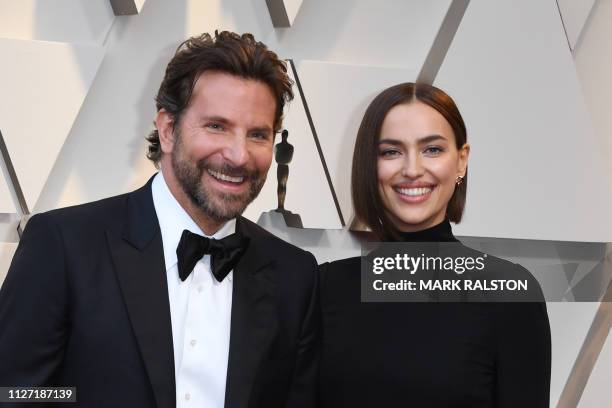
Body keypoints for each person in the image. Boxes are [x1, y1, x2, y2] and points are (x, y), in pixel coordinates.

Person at [0, 31, 318, 408]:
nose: (238, 155)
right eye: (217, 126)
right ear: (168, 130)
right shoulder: (64, 244)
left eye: (258, 134)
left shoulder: (295, 275)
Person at [318, 83, 551, 407]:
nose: (412, 169)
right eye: (391, 151)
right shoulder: (324, 288)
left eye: (432, 149)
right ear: (370, 167)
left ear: (461, 161)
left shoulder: (509, 294)